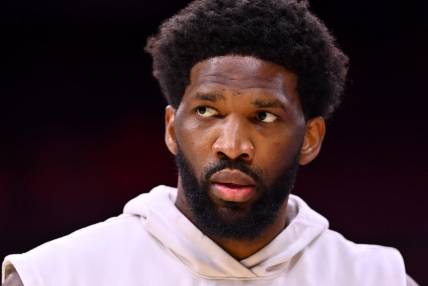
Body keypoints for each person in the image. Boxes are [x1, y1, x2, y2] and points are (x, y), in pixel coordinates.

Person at [1, 0, 419, 285]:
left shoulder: (376, 277)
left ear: (310, 138)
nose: (233, 145)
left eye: (264, 116)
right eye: (206, 111)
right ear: (171, 127)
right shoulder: (58, 275)